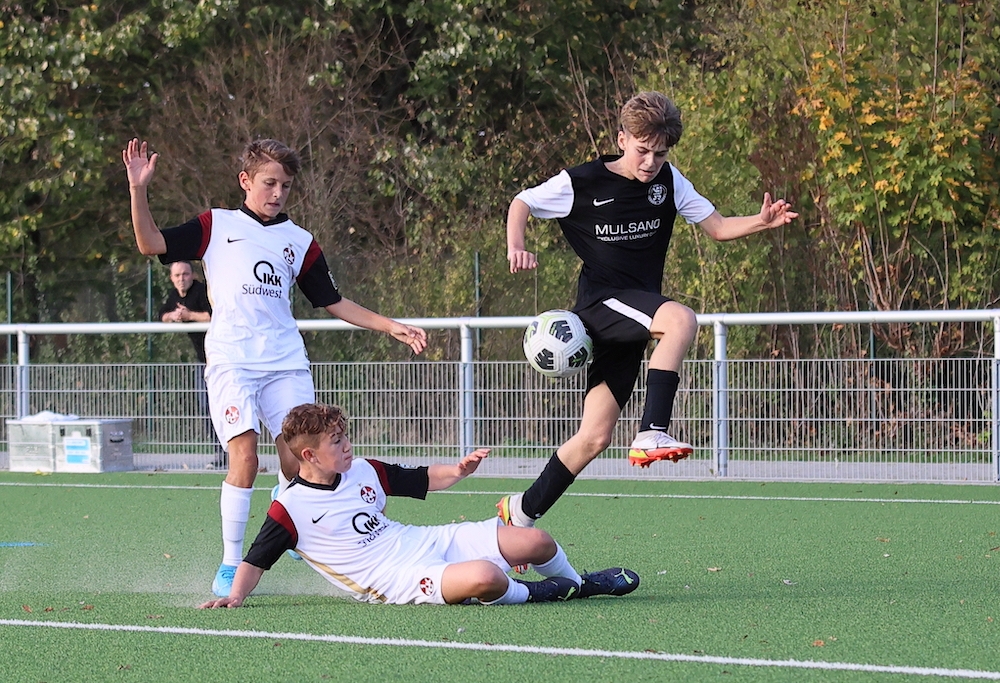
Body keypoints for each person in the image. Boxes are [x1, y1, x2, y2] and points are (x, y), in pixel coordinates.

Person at [123, 137, 429, 598]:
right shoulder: (215, 225)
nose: (278, 192)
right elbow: (150, 243)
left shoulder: (299, 241)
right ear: (245, 181)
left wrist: (391, 326)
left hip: (285, 363)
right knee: (245, 457)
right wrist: (138, 189)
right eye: (269, 183)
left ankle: (288, 507)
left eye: (285, 185)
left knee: (300, 459)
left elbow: (332, 300)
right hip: (232, 361)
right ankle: (232, 563)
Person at [498, 91, 798, 540]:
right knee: (681, 320)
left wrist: (761, 221)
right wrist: (516, 245)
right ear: (622, 139)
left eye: (660, 153)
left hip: (633, 318)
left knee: (594, 437)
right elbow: (521, 202)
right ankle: (652, 431)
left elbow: (717, 227)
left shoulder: (669, 182)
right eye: (642, 150)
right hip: (601, 305)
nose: (650, 162)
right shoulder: (582, 182)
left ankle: (520, 512)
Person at [199, 403, 640, 608]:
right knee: (487, 577)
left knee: (535, 541)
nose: (347, 445)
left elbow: (422, 478)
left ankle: (577, 583)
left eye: (345, 436)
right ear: (309, 455)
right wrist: (235, 597)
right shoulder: (289, 508)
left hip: (424, 541)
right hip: (397, 580)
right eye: (336, 441)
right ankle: (540, 593)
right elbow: (255, 561)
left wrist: (459, 469)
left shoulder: (364, 469)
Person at [157, 261, 225, 467]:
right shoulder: (175, 296)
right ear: (171, 278)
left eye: (185, 274)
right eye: (177, 275)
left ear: (192, 275)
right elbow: (161, 315)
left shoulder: (202, 291)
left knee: (224, 406)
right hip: (202, 360)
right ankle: (220, 453)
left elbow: (215, 315)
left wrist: (189, 316)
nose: (181, 279)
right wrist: (172, 316)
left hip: (223, 358)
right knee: (205, 406)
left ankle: (234, 452)